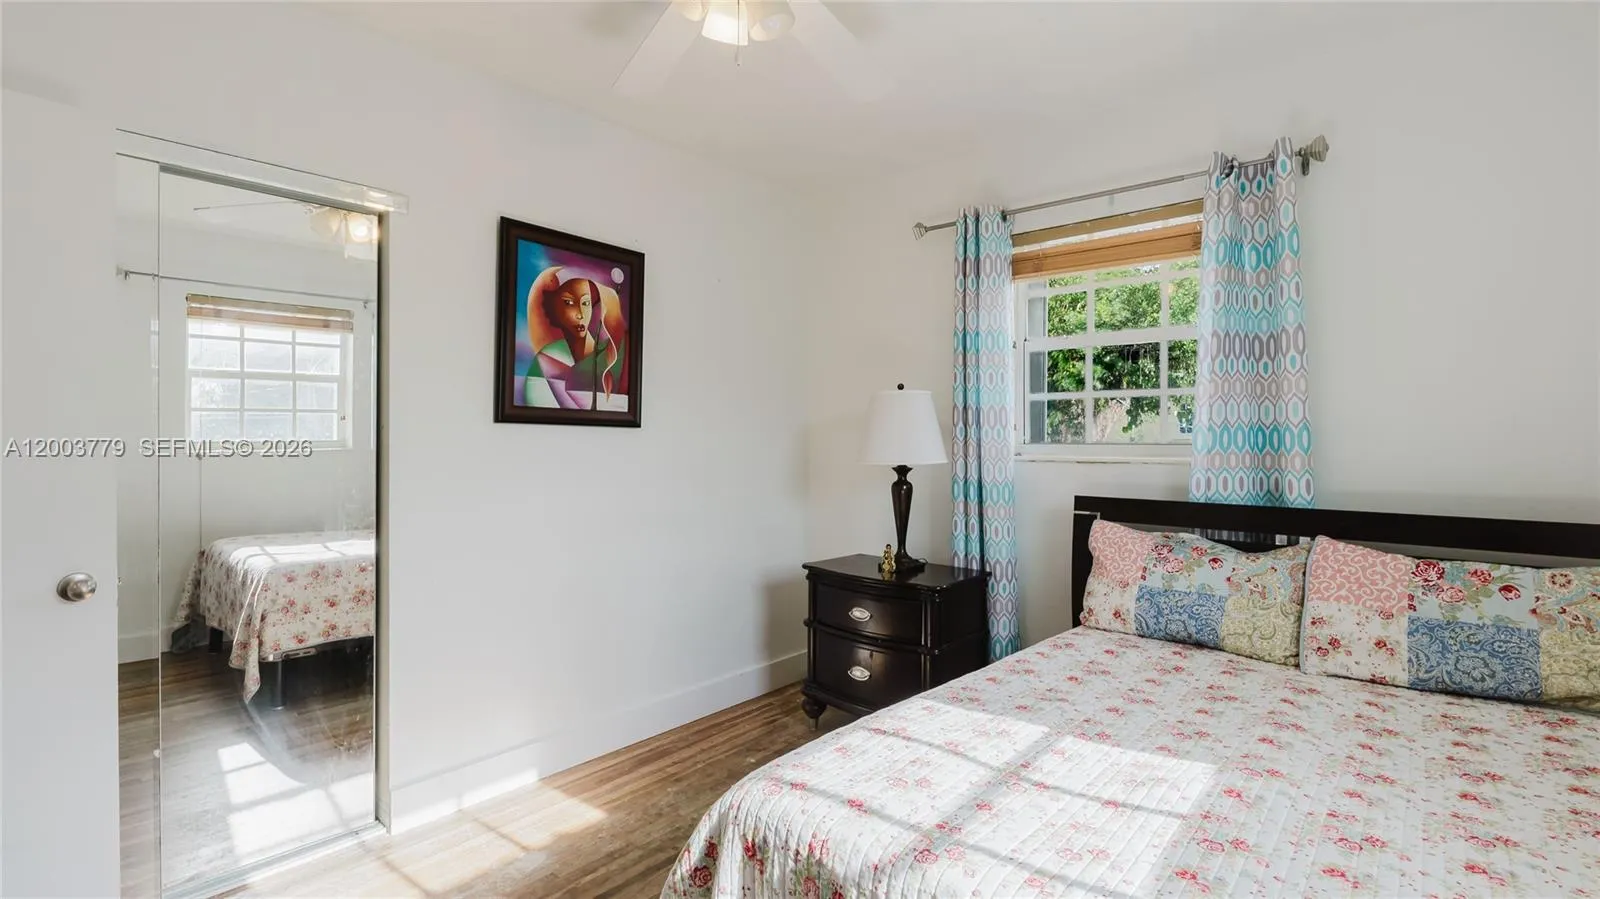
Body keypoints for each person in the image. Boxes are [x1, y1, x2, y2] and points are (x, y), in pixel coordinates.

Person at [522, 266, 626, 410]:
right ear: (553, 308)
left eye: (586, 303)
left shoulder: (615, 353)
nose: (580, 314)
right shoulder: (548, 357)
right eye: (569, 303)